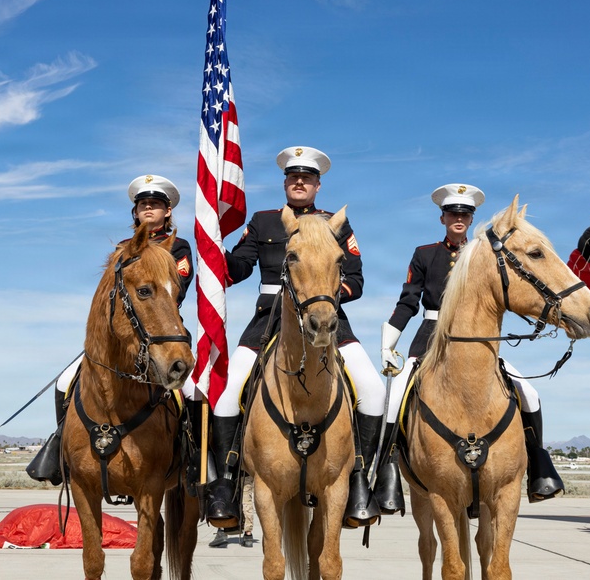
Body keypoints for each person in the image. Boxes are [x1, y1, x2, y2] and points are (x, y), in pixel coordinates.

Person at [205, 146, 385, 529]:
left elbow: (355, 280)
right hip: (268, 322)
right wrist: (213, 245)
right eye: (293, 177)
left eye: (307, 178)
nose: (299, 182)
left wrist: (323, 300)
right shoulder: (264, 221)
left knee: (373, 389)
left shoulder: (336, 223)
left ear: (318, 185)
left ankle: (359, 481)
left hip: (325, 320)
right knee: (226, 394)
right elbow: (237, 269)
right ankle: (227, 485)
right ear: (285, 182)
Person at [379, 183, 565, 503]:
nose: (459, 219)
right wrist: (388, 343)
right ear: (443, 218)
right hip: (430, 338)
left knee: (529, 393)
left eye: (465, 214)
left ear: (471, 218)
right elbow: (408, 302)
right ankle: (386, 473)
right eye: (452, 213)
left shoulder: (485, 255)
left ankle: (539, 466)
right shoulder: (425, 254)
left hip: (478, 342)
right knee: (395, 396)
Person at [26, 175, 194, 485]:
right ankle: (63, 452)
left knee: (192, 392)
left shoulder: (177, 247)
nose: (148, 208)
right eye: (143, 204)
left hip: (161, 335)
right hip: (120, 337)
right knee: (65, 382)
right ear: (135, 211)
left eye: (155, 204)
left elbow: (176, 290)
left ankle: (193, 459)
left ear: (167, 211)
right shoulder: (122, 249)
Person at [208, 476, 255, 548]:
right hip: (246, 473)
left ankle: (221, 530)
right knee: (246, 499)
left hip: (230, 472)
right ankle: (248, 536)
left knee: (224, 496)